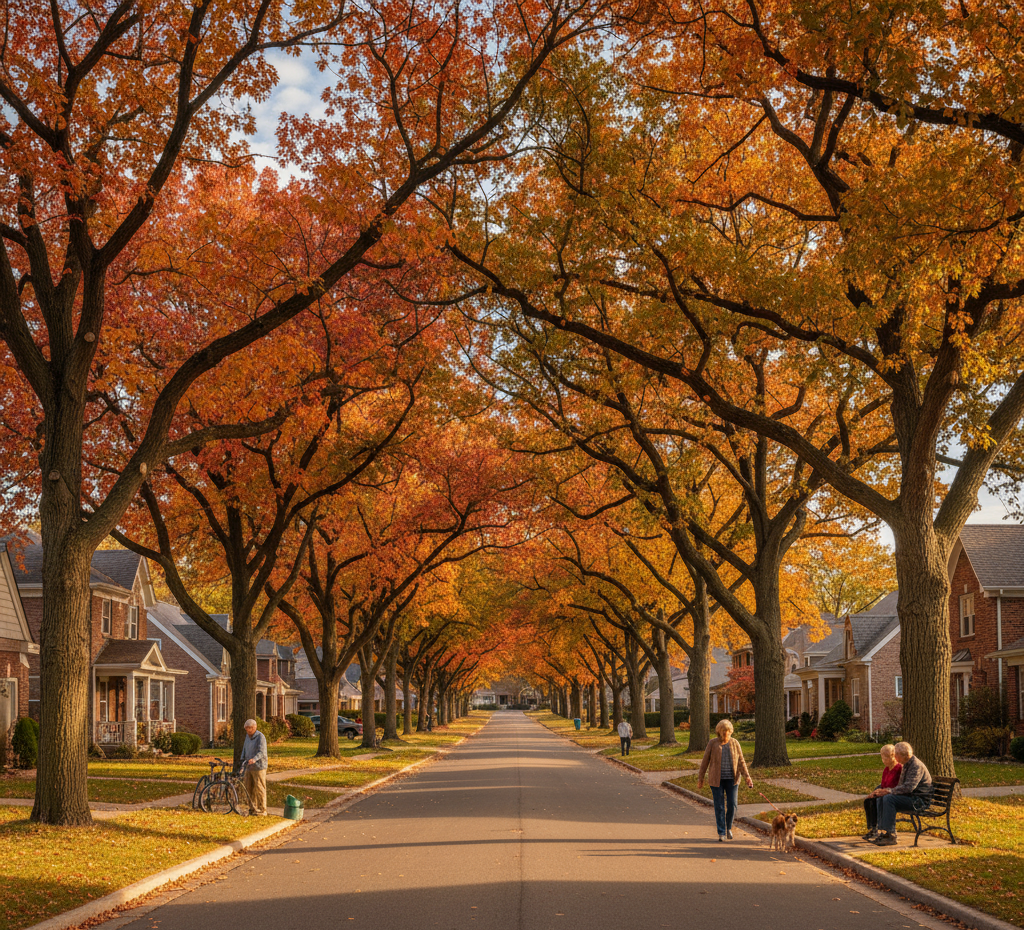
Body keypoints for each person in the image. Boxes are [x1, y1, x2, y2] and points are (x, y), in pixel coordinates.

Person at [697, 719, 753, 841]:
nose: (725, 733)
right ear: (719, 731)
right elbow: (705, 761)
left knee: (732, 805)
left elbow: (741, 761)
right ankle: (721, 832)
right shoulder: (712, 743)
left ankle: (728, 828)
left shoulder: (735, 743)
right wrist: (700, 778)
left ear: (731, 731)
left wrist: (747, 777)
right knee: (720, 806)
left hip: (732, 779)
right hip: (716, 780)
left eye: (728, 731)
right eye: (723, 731)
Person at [872, 741, 933, 846]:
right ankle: (884, 832)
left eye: (896, 755)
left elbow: (909, 787)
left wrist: (889, 791)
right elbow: (901, 786)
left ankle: (891, 835)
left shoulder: (916, 766)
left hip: (918, 801)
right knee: (881, 797)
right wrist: (885, 791)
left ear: (903, 755)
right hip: (910, 797)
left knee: (888, 799)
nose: (895, 757)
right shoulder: (906, 764)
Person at [861, 743, 902, 840]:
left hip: (893, 794)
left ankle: (884, 829)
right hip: (885, 792)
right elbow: (883, 784)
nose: (883, 760)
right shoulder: (886, 769)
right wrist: (876, 792)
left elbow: (897, 786)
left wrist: (882, 791)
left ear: (892, 756)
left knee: (880, 799)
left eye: (884, 758)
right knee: (869, 801)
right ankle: (873, 828)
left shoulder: (899, 768)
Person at [240, 718, 268, 816]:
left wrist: (254, 759)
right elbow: (244, 748)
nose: (248, 731)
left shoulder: (260, 737)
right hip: (248, 766)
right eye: (246, 729)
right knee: (249, 787)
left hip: (259, 766)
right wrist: (242, 759)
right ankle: (252, 808)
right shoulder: (247, 737)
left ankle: (262, 809)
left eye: (250, 728)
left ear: (254, 727)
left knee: (259, 787)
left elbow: (262, 752)